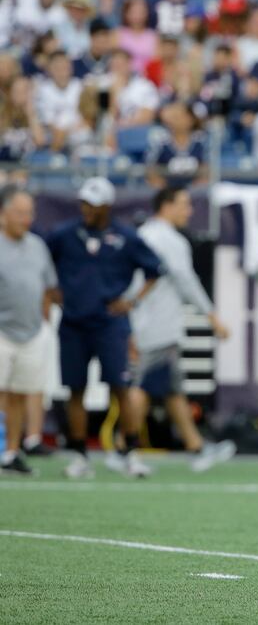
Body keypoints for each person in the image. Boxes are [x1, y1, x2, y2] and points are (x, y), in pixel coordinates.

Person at [46, 177, 162, 478]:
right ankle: (80, 456)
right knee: (75, 390)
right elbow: (42, 262)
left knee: (121, 388)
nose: (86, 209)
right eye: (84, 203)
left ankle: (130, 452)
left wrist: (132, 301)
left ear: (107, 206)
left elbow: (155, 269)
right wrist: (50, 291)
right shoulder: (64, 234)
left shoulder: (125, 237)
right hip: (73, 322)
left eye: (93, 205)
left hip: (111, 323)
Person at [128, 188, 236, 474]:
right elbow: (187, 281)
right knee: (143, 387)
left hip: (148, 322)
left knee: (173, 390)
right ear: (166, 205)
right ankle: (123, 448)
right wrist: (213, 316)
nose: (189, 211)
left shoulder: (146, 234)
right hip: (158, 325)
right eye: (184, 205)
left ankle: (195, 446)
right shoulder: (169, 240)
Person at [0, 189, 57, 476]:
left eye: (29, 213)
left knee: (20, 395)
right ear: (2, 215)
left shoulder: (37, 246)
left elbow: (48, 286)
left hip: (31, 330)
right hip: (1, 330)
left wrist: (43, 320)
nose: (26, 219)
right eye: (20, 213)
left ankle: (11, 452)